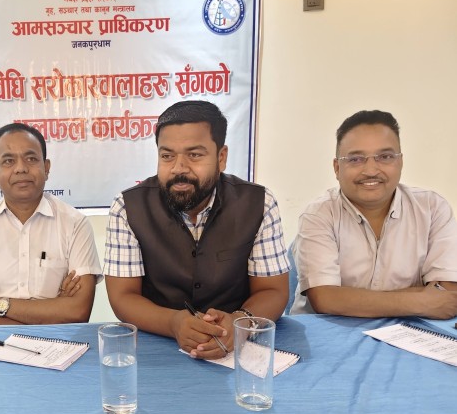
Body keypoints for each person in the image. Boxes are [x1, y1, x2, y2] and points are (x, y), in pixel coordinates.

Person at [104, 100, 290, 360]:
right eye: (167, 156)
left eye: (194, 155)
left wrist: (240, 323)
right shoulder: (128, 207)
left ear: (221, 158)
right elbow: (123, 297)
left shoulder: (259, 204)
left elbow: (273, 290)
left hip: (237, 349)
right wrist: (173, 323)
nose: (179, 168)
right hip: (157, 347)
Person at [291, 110, 457, 318]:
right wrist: (422, 299)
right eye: (355, 159)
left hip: (409, 329)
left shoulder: (432, 208)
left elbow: (447, 294)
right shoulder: (319, 214)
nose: (370, 170)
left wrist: (352, 300)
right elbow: (325, 299)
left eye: (385, 157)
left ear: (400, 162)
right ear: (337, 167)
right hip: (328, 329)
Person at [0, 122, 102, 326]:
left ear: (46, 168)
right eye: (8, 161)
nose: (21, 168)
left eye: (31, 159)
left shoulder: (75, 225)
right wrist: (52, 311)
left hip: (58, 343)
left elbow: (77, 311)